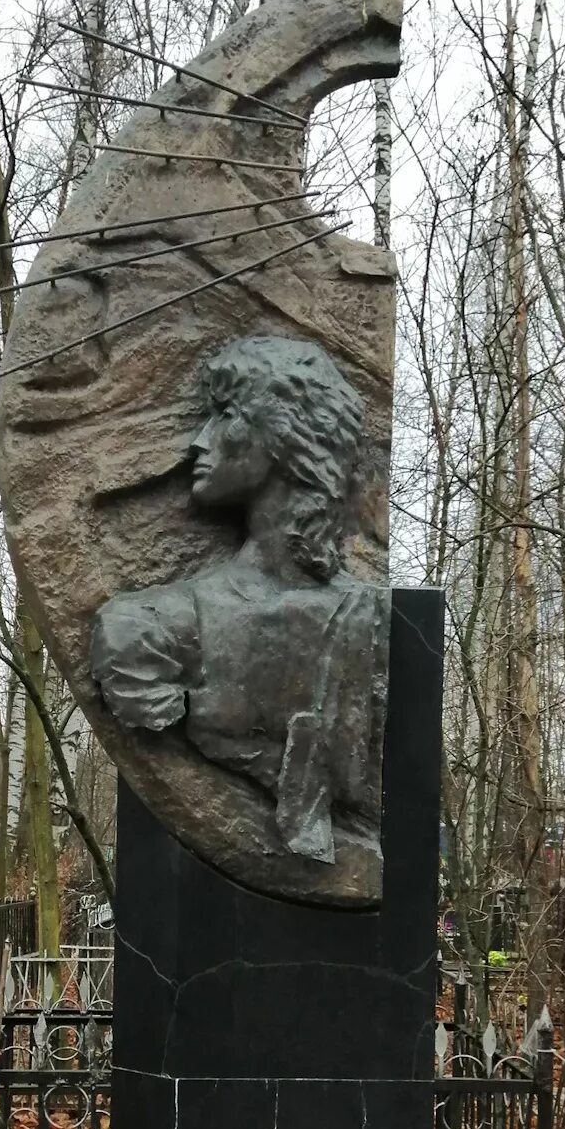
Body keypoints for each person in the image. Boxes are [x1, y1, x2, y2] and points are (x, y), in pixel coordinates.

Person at [90, 336, 390, 867]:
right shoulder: (146, 631)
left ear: (287, 436)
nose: (199, 441)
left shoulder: (376, 621)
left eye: (225, 416)